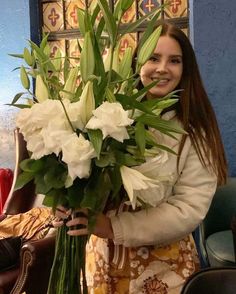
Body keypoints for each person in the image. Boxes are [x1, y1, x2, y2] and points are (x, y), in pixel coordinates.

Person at [56, 21, 228, 293]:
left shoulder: (195, 130)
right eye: (153, 58)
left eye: (174, 60)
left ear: (186, 69)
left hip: (162, 266)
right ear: (137, 63)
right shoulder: (109, 116)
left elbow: (189, 207)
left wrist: (113, 227)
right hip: (103, 258)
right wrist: (68, 202)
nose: (162, 68)